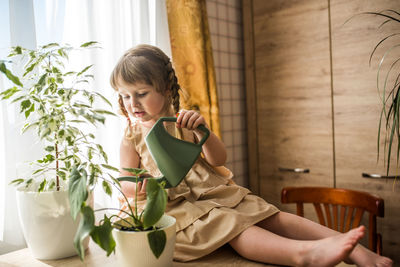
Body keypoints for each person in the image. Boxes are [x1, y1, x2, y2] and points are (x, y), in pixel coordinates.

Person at [110, 44, 393, 267]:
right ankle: (304, 255)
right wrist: (138, 184)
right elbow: (125, 179)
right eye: (124, 96)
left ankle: (355, 248)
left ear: (166, 88)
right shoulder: (132, 135)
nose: (132, 103)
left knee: (270, 215)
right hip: (180, 206)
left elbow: (218, 159)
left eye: (141, 93)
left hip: (213, 193)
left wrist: (202, 131)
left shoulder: (183, 120)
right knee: (232, 225)